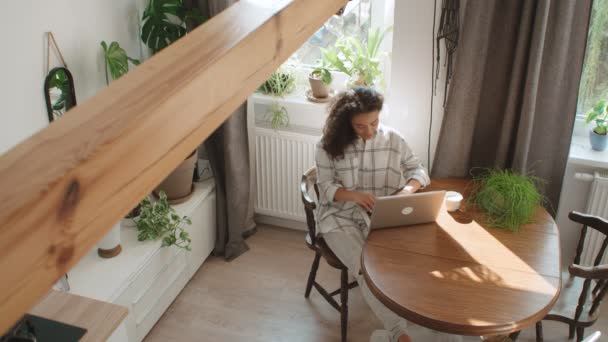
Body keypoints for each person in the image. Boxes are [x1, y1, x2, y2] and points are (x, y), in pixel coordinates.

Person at [314, 87, 461, 342]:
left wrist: (406, 190)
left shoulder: (393, 140)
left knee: (421, 257)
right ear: (345, 123)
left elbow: (419, 171)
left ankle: (436, 321)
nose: (370, 131)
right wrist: (353, 195)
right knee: (364, 268)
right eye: (360, 126)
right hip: (339, 217)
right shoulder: (327, 146)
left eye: (374, 122)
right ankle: (399, 333)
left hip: (384, 216)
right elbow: (325, 187)